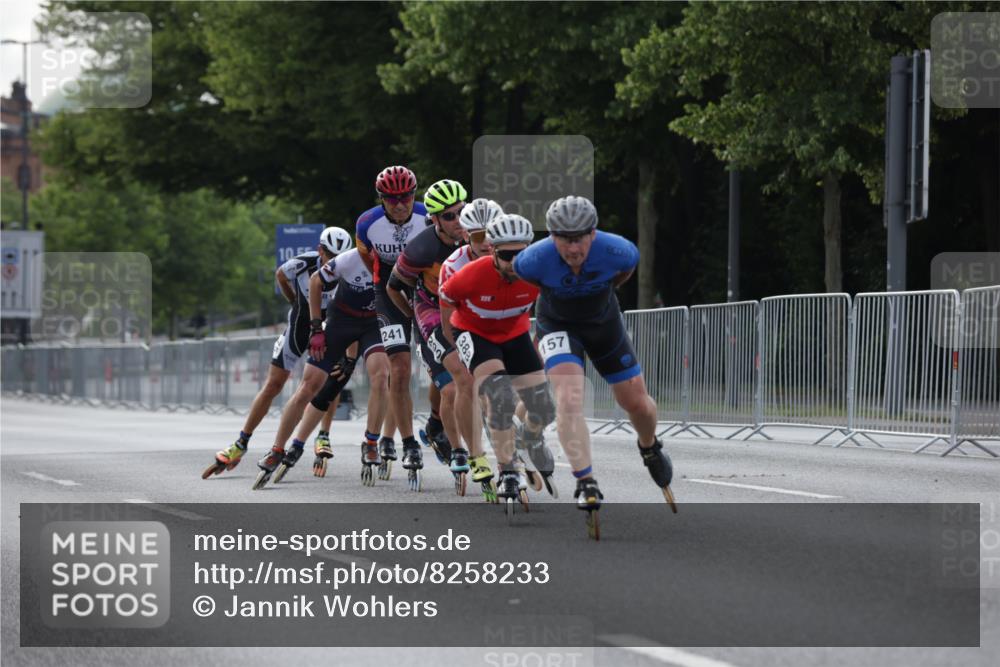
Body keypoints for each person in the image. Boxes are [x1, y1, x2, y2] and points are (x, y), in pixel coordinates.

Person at [512, 196, 676, 520]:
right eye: (564, 241)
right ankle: (585, 480)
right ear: (552, 237)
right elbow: (529, 286)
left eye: (580, 240)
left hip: (603, 323)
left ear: (593, 234)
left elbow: (624, 273)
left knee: (637, 403)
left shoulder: (619, 251)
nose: (573, 250)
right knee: (569, 398)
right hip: (557, 325)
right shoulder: (530, 261)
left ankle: (649, 446)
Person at [202, 226, 353, 479]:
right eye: (330, 257)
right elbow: (280, 275)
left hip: (328, 331)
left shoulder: (348, 270)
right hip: (300, 328)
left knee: (330, 380)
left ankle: (323, 436)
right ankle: (241, 442)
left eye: (340, 257)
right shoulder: (303, 264)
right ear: (320, 251)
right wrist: (293, 301)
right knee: (273, 385)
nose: (335, 262)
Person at [439, 213, 557, 508]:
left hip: (515, 333)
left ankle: (529, 438)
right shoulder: (468, 276)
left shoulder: (539, 272)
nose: (515, 262)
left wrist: (540, 340)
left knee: (544, 406)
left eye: (522, 254)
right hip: (475, 332)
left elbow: (553, 310)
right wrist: (459, 347)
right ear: (493, 251)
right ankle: (507, 471)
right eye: (507, 255)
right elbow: (445, 307)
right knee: (500, 395)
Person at [254, 245, 390, 489]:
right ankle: (278, 448)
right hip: (340, 323)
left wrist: (350, 359)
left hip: (372, 326)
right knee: (309, 386)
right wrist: (317, 327)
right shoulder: (348, 260)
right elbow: (316, 281)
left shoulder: (395, 260)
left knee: (381, 377)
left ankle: (371, 443)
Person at [387, 179, 485, 495]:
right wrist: (411, 318)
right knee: (455, 385)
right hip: (431, 309)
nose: (458, 222)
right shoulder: (421, 248)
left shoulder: (482, 235)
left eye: (462, 212)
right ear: (434, 219)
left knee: (460, 383)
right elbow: (393, 286)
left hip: (466, 306)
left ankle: (433, 425)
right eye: (449, 216)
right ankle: (461, 449)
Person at [355, 166, 427, 469]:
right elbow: (367, 256)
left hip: (423, 288)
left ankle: (435, 426)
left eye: (406, 196)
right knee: (399, 369)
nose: (400, 204)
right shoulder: (367, 223)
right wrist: (385, 280)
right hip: (387, 289)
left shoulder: (430, 217)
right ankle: (408, 443)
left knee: (438, 364)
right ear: (381, 199)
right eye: (392, 198)